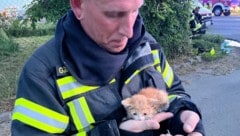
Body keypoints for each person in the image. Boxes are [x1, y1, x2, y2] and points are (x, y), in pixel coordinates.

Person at [11, 0, 205, 135]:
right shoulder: (42, 75)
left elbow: (174, 91)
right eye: (113, 14)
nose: (129, 31)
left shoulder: (147, 45)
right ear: (78, 5)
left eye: (136, 10)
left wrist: (182, 114)